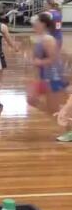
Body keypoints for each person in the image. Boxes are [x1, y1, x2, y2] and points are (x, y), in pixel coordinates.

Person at [26, 13, 72, 142]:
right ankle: (64, 118)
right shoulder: (39, 38)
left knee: (53, 108)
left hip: (53, 76)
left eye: (36, 23)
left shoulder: (48, 39)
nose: (34, 25)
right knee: (31, 99)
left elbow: (54, 59)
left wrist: (37, 62)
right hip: (43, 77)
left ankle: (69, 129)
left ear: (43, 24)